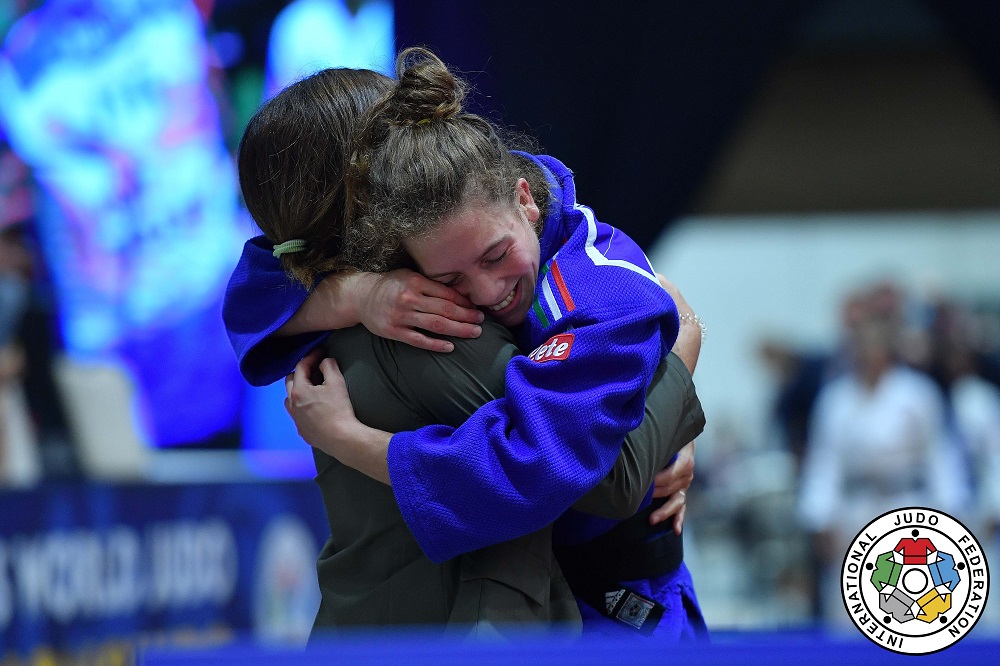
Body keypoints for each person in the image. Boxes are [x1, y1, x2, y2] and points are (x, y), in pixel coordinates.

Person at [227, 65, 705, 638]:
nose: (418, 151)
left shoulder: (535, 264)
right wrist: (680, 352)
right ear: (369, 195)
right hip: (499, 621)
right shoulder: (434, 324)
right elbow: (607, 476)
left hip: (384, 620)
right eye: (397, 141)